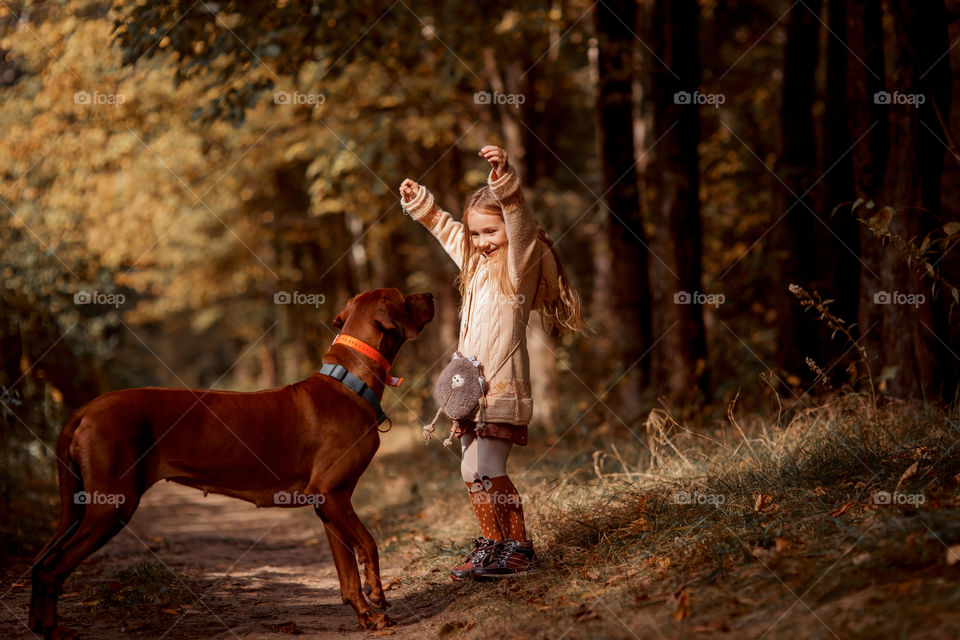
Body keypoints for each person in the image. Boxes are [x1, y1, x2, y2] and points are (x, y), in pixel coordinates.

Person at [399, 145, 583, 579]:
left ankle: (519, 549)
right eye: (476, 234)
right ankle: (492, 546)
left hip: (501, 390)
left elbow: (518, 223)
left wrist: (504, 182)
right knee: (469, 469)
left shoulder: (518, 265)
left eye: (490, 233)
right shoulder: (477, 264)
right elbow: (448, 231)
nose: (481, 243)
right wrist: (422, 204)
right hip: (470, 394)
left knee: (487, 467)